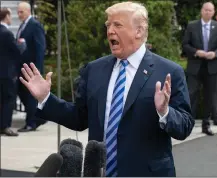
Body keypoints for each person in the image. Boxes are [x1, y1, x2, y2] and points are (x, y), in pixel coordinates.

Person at [19, 2, 194, 177]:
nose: (110, 30)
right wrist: (46, 98)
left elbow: (184, 126)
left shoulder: (168, 72)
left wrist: (164, 112)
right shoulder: (94, 70)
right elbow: (79, 118)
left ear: (139, 31)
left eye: (117, 25)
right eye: (108, 25)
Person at [182, 2, 217, 136]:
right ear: (202, 11)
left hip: (212, 67)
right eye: (206, 10)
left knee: (209, 96)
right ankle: (187, 123)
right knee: (191, 95)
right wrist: (196, 52)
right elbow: (185, 45)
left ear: (213, 13)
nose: (208, 12)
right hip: (195, 66)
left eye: (210, 10)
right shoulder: (192, 25)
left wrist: (215, 53)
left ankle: (206, 125)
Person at [16, 2, 47, 132]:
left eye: (21, 12)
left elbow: (40, 48)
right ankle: (38, 118)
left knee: (30, 96)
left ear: (28, 11)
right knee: (21, 92)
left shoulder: (35, 25)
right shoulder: (22, 26)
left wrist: (37, 70)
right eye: (18, 12)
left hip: (32, 69)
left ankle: (31, 123)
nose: (18, 14)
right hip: (23, 68)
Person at [0, 7, 26, 136]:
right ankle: (5, 126)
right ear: (6, 16)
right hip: (7, 73)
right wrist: (22, 44)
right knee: (9, 99)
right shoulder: (7, 33)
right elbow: (17, 50)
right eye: (10, 16)